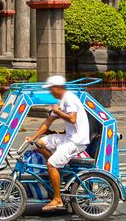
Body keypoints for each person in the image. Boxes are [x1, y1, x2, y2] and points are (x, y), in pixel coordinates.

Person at [26, 74, 90, 213]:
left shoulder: (70, 98)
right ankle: (56, 170)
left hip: (77, 141)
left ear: (58, 87)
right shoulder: (61, 101)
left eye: (51, 89)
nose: (50, 92)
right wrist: (33, 137)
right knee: (40, 143)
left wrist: (57, 111)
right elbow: (47, 123)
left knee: (51, 164)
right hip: (69, 137)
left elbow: (72, 119)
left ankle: (57, 199)